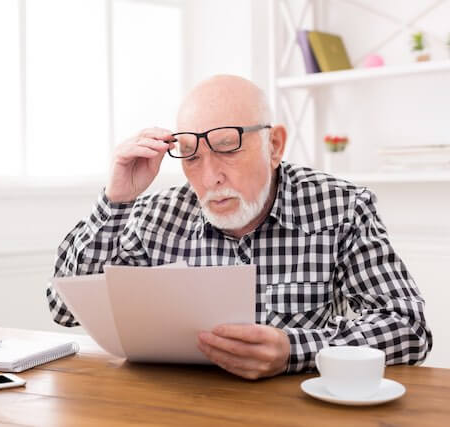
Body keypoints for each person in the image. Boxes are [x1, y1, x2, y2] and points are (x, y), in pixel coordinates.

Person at [46, 75, 432, 380]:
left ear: (275, 145)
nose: (210, 176)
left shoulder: (340, 208)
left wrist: (295, 350)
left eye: (228, 146)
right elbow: (63, 309)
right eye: (192, 156)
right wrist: (117, 201)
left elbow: (408, 328)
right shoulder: (153, 215)